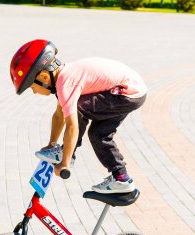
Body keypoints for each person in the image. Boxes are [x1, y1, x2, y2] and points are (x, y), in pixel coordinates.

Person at [10, 39, 147, 194]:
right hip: (130, 90)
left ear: (43, 77)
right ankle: (121, 178)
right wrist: (51, 144)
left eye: (32, 87)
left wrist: (65, 162)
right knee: (98, 135)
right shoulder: (64, 78)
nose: (34, 92)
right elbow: (58, 115)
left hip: (127, 92)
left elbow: (72, 125)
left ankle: (71, 153)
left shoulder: (65, 83)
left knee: (78, 108)